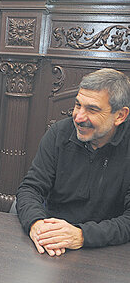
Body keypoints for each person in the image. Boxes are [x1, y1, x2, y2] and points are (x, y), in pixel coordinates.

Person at [16, 68, 130, 256]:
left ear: (120, 116)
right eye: (78, 105)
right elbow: (30, 189)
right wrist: (36, 224)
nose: (78, 117)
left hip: (109, 251)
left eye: (92, 109)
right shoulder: (59, 133)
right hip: (54, 245)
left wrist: (82, 235)